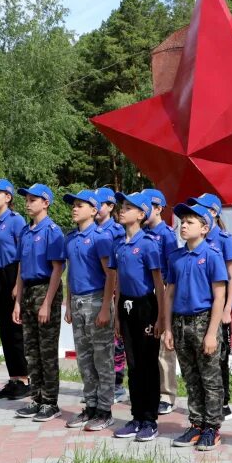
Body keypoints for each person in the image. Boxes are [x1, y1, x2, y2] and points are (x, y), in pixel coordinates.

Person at [162, 203, 227, 451]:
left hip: (203, 321)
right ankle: (196, 424)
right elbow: (169, 295)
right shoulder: (176, 257)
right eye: (182, 221)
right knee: (190, 378)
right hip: (180, 322)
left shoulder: (211, 255)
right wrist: (168, 328)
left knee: (210, 378)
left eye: (190, 221)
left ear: (205, 228)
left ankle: (212, 427)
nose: (184, 225)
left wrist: (212, 333)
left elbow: (219, 296)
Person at [109, 192, 165, 442]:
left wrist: (161, 317)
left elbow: (158, 282)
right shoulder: (119, 244)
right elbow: (119, 280)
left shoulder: (149, 243)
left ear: (142, 215)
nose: (122, 210)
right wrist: (117, 315)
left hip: (146, 307)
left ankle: (150, 419)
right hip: (126, 306)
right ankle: (136, 416)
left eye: (129, 207)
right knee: (133, 364)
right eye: (122, 206)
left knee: (147, 364)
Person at [63, 189, 116, 431]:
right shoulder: (71, 238)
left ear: (94, 211)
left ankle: (105, 410)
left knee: (101, 359)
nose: (74, 208)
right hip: (77, 302)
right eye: (73, 205)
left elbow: (110, 276)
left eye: (80, 205)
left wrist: (105, 307)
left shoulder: (101, 238)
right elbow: (69, 274)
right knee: (84, 360)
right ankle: (91, 406)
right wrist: (69, 304)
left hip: (96, 301)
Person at [12, 183, 65, 422]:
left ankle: (50, 402)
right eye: (26, 199)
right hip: (29, 290)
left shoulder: (52, 231)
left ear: (46, 203)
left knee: (47, 350)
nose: (28, 203)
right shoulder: (25, 232)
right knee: (31, 350)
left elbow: (57, 269)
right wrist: (18, 302)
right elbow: (22, 267)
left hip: (46, 289)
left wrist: (47, 303)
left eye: (33, 199)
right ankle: (36, 398)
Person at [187, 193, 232, 420]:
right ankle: (202, 408)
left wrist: (227, 308)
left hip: (219, 306)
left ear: (213, 213)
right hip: (198, 308)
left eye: (200, 209)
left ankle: (223, 403)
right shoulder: (195, 238)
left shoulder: (224, 239)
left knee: (220, 356)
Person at [0, 178, 30, 400]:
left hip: (13, 272)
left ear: (8, 197)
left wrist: (18, 283)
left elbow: (23, 253)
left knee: (15, 328)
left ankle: (25, 378)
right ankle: (13, 378)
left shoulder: (16, 221)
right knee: (4, 329)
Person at [141, 188, 180, 416]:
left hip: (162, 289)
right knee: (147, 345)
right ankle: (151, 390)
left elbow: (172, 267)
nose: (143, 210)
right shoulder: (142, 233)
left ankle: (167, 394)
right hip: (144, 293)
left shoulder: (166, 235)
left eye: (147, 206)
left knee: (165, 348)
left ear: (158, 209)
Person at [94, 186, 127, 404]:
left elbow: (117, 269)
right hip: (97, 291)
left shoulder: (117, 232)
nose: (94, 208)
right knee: (99, 343)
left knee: (116, 342)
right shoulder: (90, 230)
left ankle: (117, 384)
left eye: (99, 204)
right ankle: (101, 384)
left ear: (110, 207)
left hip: (115, 292)